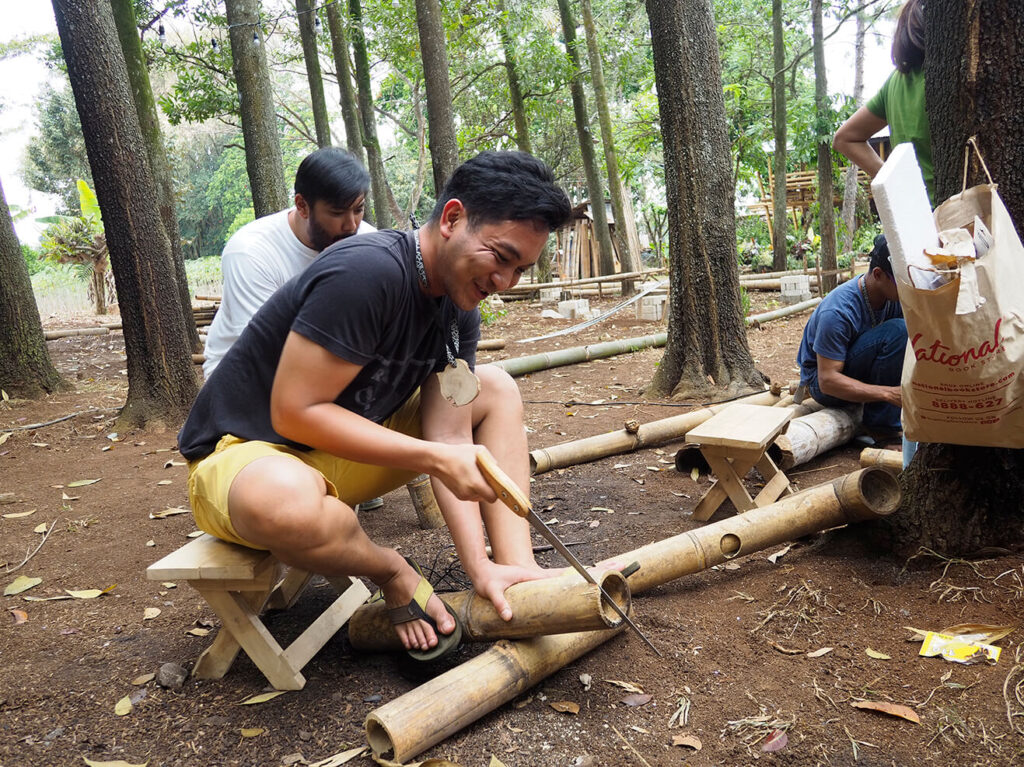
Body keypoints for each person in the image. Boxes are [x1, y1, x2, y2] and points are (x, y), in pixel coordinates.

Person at [178, 151, 572, 654]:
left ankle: (517, 570)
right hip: (247, 455)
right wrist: (434, 457)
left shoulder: (459, 304)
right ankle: (390, 569)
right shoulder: (365, 273)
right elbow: (293, 411)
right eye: (500, 256)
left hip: (339, 454)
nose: (504, 282)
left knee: (494, 388)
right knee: (283, 500)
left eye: (520, 269)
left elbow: (450, 435)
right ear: (452, 218)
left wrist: (480, 566)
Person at [202, 147, 374, 378]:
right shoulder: (251, 253)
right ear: (302, 206)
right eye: (337, 213)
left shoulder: (368, 242)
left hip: (333, 372)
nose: (352, 225)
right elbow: (264, 352)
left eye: (359, 209)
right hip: (246, 379)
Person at [796, 235, 905, 437]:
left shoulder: (893, 296)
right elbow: (827, 381)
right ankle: (883, 429)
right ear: (878, 274)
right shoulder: (837, 312)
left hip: (853, 372)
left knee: (905, 330)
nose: (907, 286)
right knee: (899, 331)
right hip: (823, 385)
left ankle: (882, 418)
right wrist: (888, 394)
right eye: (901, 281)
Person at [832, 0, 933, 205]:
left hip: (916, 213)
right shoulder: (950, 75)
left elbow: (844, 138)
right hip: (958, 216)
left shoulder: (894, 83)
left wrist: (895, 183)